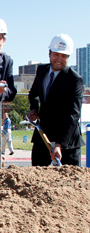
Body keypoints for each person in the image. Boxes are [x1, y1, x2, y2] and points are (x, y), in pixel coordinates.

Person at [27, 34, 84, 166]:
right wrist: (34, 109)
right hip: (43, 134)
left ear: (68, 57)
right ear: (49, 53)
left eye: (64, 56)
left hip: (67, 141)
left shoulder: (74, 79)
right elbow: (34, 93)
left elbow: (73, 114)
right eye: (56, 54)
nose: (59, 59)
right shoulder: (41, 70)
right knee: (36, 178)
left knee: (70, 182)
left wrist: (59, 144)